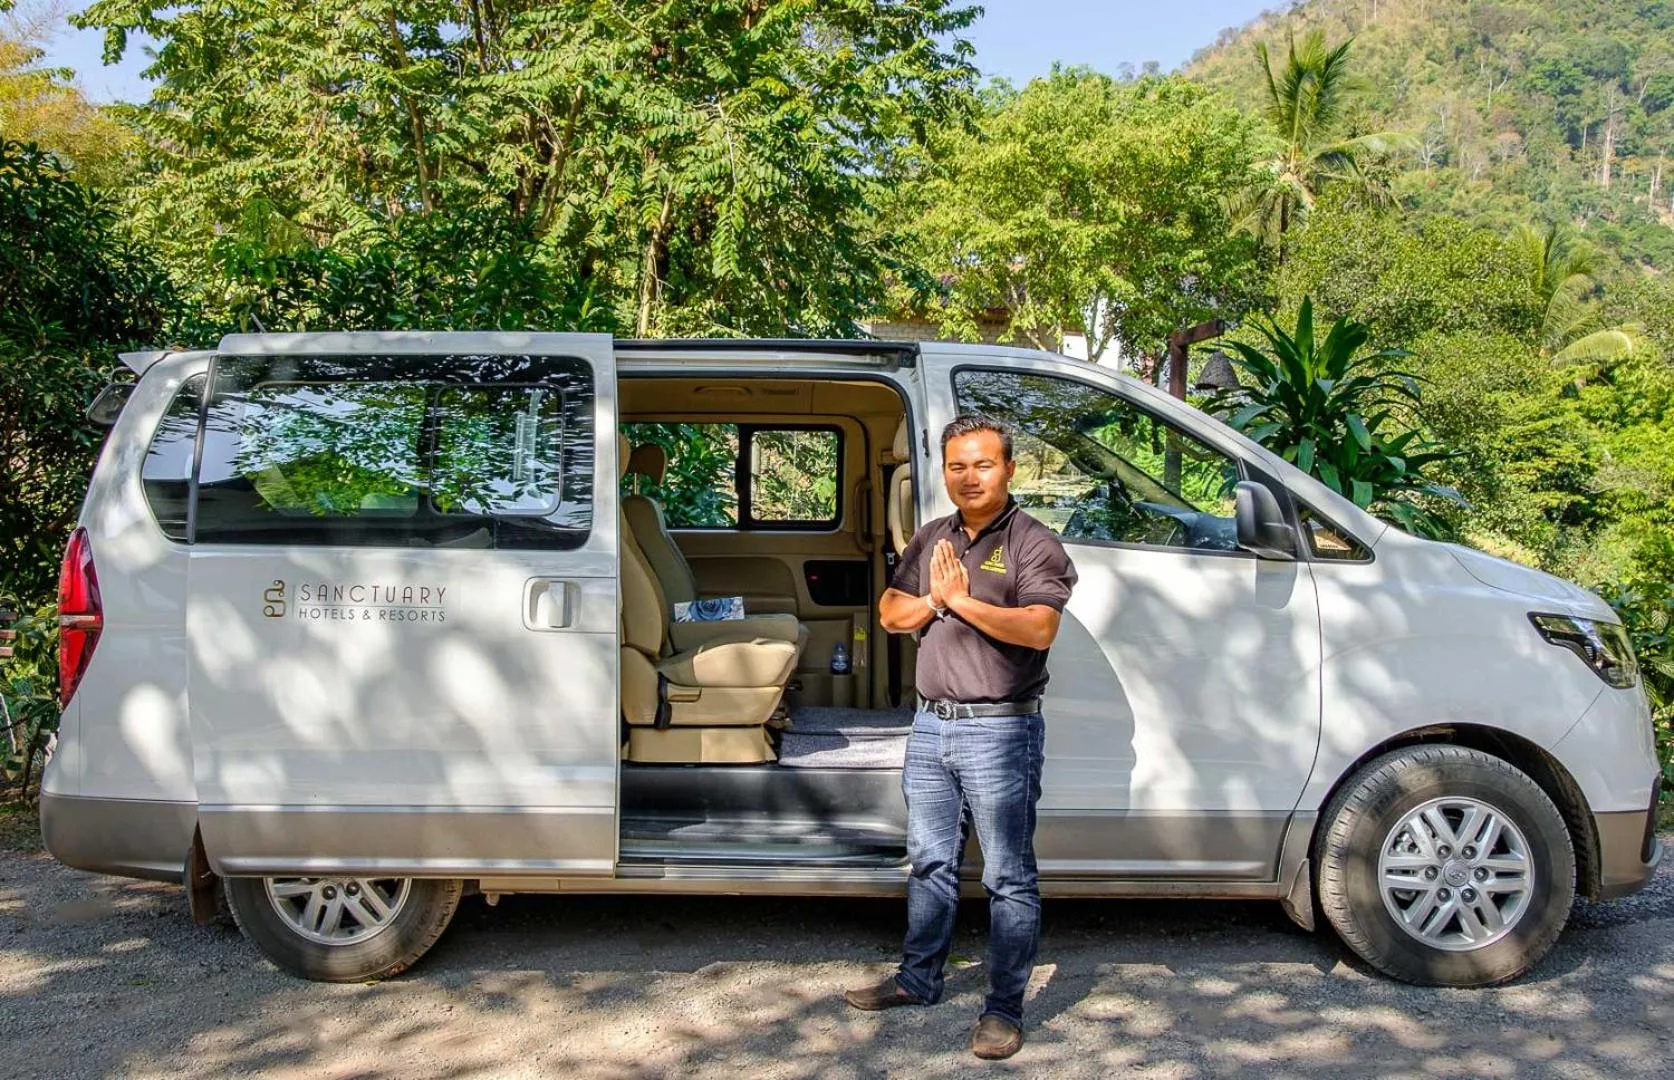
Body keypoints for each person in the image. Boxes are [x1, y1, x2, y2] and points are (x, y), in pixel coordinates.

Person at [844, 414, 1077, 1061]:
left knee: (1007, 876)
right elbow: (893, 612)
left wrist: (960, 598)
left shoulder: (1034, 543)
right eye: (956, 466)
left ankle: (1003, 1011)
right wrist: (938, 600)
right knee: (931, 862)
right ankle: (919, 981)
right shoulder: (932, 537)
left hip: (1000, 730)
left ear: (1008, 468)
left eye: (981, 464)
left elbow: (1037, 629)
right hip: (930, 726)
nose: (968, 477)